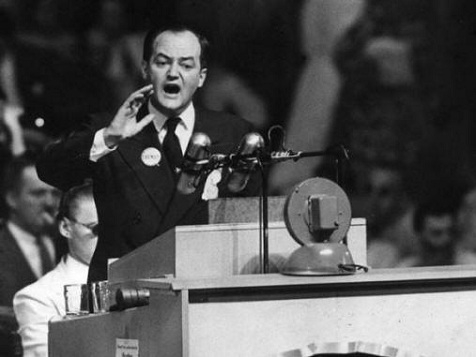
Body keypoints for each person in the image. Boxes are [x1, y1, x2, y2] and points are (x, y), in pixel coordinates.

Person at [36, 24, 261, 282]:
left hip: (203, 284)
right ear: (145, 69)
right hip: (126, 291)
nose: (173, 73)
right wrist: (109, 138)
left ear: (201, 76)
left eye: (186, 65)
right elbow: (49, 170)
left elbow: (250, 215)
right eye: (162, 63)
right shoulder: (110, 128)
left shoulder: (233, 133)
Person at [13, 181, 98, 357]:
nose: (108, 237)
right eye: (96, 229)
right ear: (66, 227)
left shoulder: (134, 278)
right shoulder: (37, 298)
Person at [0, 153, 60, 306]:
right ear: (12, 199)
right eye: (38, 193)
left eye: (54, 193)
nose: (49, 202)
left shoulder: (63, 243)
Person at [398, 197, 476, 267]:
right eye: (437, 233)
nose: (446, 239)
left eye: (451, 232)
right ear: (419, 234)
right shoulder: (406, 270)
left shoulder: (470, 266)